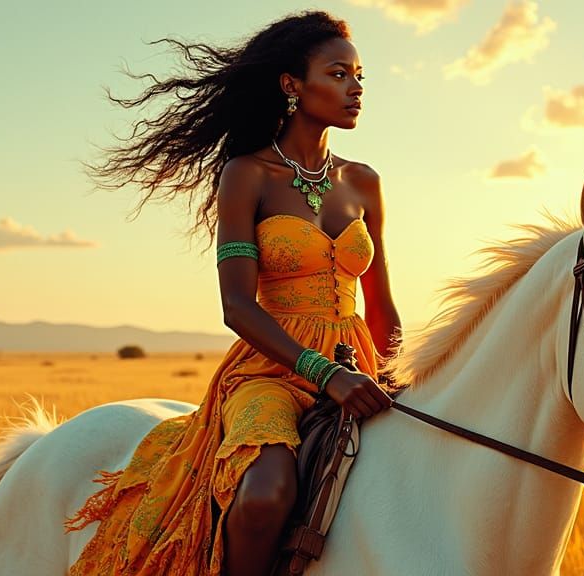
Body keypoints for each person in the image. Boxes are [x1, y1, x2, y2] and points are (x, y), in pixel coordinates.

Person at [63, 10, 401, 576]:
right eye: (339, 73)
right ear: (293, 85)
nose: (356, 87)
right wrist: (325, 375)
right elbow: (237, 306)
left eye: (360, 75)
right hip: (271, 369)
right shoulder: (248, 175)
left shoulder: (363, 181)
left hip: (360, 364)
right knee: (267, 490)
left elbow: (381, 300)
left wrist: (395, 368)